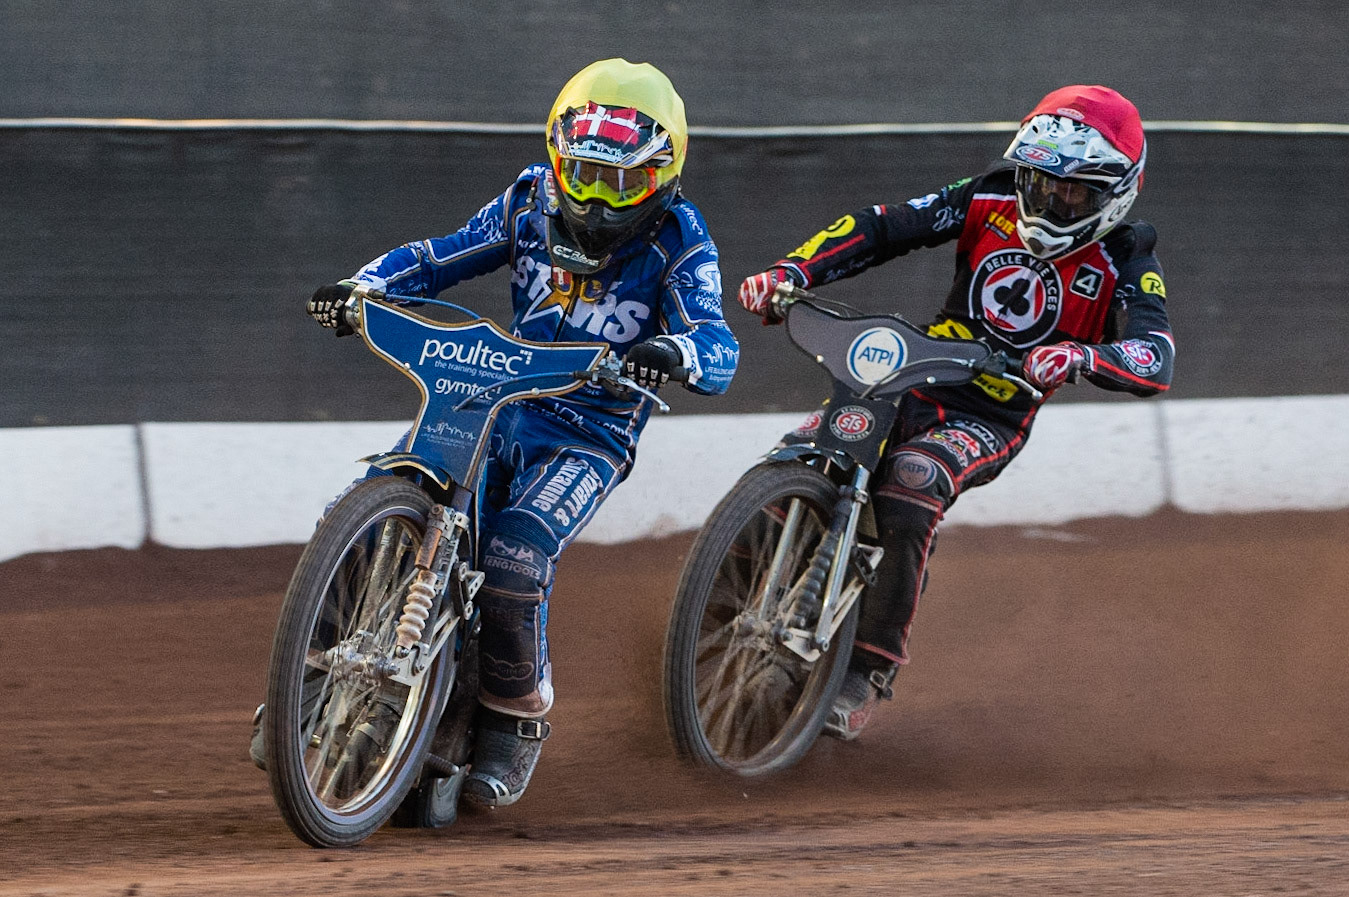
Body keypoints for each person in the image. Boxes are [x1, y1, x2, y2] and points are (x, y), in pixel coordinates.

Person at [261, 58, 739, 808]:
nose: (592, 196)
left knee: (514, 556)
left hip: (590, 430)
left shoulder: (681, 237)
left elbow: (717, 344)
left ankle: (513, 723)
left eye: (618, 183)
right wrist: (364, 287)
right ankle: (312, 680)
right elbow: (442, 255)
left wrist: (672, 353)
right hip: (496, 399)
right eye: (580, 171)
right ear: (557, 156)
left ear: (662, 174)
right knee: (358, 503)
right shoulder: (526, 199)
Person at [736, 85, 1173, 741]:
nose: (1046, 200)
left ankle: (866, 671)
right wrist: (791, 272)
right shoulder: (989, 195)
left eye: (1071, 191)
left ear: (1114, 191)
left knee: (911, 481)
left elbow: (1154, 354)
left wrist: (1081, 359)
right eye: (1037, 180)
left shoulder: (1127, 255)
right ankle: (711, 609)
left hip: (990, 412)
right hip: (913, 370)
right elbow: (884, 224)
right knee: (801, 453)